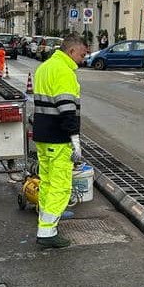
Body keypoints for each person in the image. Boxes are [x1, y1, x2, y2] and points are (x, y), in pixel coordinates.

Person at [33, 33, 88, 248]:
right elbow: (67, 110)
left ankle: (45, 224)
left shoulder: (44, 67)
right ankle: (47, 233)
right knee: (61, 187)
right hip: (58, 138)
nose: (83, 59)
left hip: (43, 136)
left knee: (47, 183)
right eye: (82, 55)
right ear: (72, 51)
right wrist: (75, 141)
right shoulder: (64, 72)